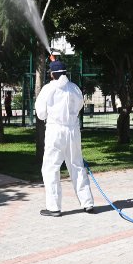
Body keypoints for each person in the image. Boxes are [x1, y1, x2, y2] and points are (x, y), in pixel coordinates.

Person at [34, 60, 95, 217]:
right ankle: (87, 202)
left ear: (52, 74)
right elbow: (79, 105)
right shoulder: (74, 88)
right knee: (77, 165)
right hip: (73, 130)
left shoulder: (48, 89)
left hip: (55, 130)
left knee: (51, 168)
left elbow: (40, 114)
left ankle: (54, 207)